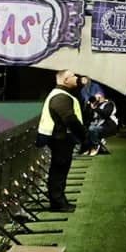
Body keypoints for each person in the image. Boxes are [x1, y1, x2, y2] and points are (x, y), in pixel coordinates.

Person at [37, 69, 87, 210]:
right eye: (73, 76)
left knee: (59, 171)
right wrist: (84, 136)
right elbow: (70, 119)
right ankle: (58, 203)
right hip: (60, 139)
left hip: (60, 138)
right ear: (65, 80)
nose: (76, 78)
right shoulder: (60, 97)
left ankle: (59, 201)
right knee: (59, 172)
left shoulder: (62, 94)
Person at [83, 88, 118, 155]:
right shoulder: (96, 104)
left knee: (92, 129)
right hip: (98, 125)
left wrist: (96, 108)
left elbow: (105, 114)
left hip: (109, 125)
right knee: (85, 129)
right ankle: (89, 147)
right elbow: (88, 116)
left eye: (97, 97)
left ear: (101, 97)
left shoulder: (109, 103)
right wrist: (89, 106)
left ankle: (95, 146)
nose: (95, 99)